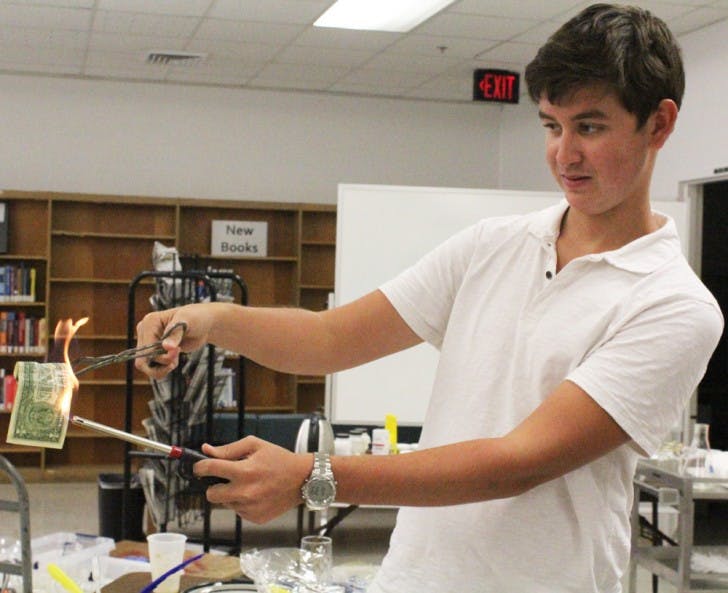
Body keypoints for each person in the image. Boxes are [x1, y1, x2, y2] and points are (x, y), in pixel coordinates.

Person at [135, 4, 723, 592]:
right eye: (551, 125)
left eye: (589, 127)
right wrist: (210, 318)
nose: (564, 154)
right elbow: (331, 339)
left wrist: (314, 476)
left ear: (659, 124)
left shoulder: (673, 306)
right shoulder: (494, 245)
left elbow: (517, 463)